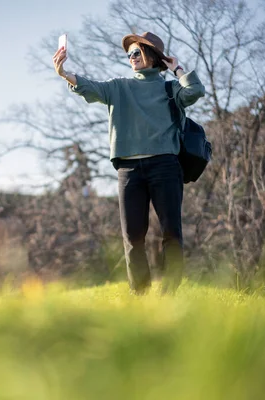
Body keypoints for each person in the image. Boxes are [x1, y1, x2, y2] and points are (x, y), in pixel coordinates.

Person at [52, 31, 205, 294]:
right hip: (129, 171)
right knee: (132, 237)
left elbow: (195, 90)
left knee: (171, 232)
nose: (131, 57)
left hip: (165, 167)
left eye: (137, 52)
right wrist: (64, 73)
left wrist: (176, 68)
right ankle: (140, 293)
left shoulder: (170, 89)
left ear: (153, 56)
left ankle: (170, 291)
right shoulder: (119, 87)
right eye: (129, 53)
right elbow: (90, 86)